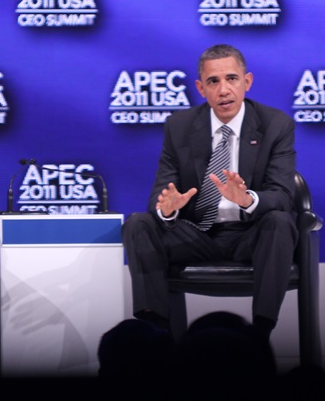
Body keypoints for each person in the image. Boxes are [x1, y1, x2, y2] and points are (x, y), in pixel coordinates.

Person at [121, 44, 297, 341]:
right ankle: (159, 333)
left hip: (250, 235)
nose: (224, 89)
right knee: (139, 223)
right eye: (213, 82)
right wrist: (169, 208)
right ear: (201, 88)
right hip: (196, 234)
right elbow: (159, 197)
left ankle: (259, 334)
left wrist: (248, 199)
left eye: (232, 78)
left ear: (247, 81)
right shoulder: (179, 126)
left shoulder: (275, 124)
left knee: (280, 221)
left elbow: (282, 194)